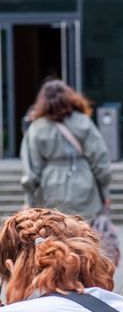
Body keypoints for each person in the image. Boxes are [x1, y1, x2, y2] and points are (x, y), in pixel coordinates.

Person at [20, 79, 112, 221]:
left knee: (56, 235)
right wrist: (105, 194)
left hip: (50, 191)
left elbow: (31, 172)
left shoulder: (37, 128)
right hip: (85, 187)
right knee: (85, 237)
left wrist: (28, 201)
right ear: (69, 97)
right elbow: (101, 161)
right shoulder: (83, 121)